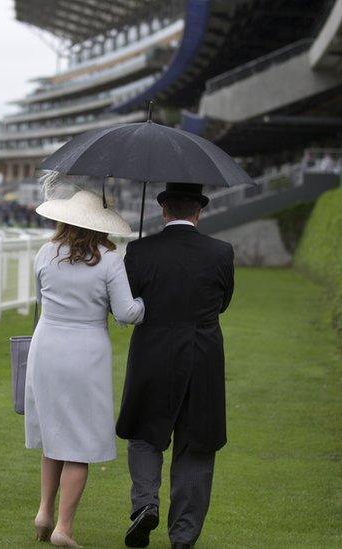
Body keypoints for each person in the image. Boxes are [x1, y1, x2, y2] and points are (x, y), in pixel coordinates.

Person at [24, 188, 145, 547]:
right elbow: (126, 313)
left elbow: (39, 299)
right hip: (85, 351)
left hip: (46, 346)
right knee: (79, 440)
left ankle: (44, 511)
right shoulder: (109, 260)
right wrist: (141, 301)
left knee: (54, 432)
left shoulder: (45, 253)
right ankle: (63, 527)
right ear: (100, 225)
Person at [117, 182, 235, 549]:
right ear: (198, 212)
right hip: (202, 353)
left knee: (144, 434)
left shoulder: (139, 250)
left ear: (164, 210)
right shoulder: (220, 252)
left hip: (153, 350)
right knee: (196, 442)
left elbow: (127, 303)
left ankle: (145, 504)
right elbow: (223, 302)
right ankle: (183, 535)